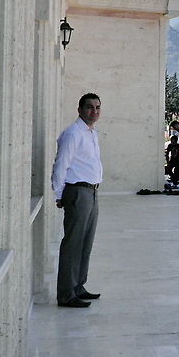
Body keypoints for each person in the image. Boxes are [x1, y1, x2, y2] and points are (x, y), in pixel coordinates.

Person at [52, 93, 104, 308]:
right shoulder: (73, 134)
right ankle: (66, 293)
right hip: (77, 192)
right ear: (80, 109)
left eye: (98, 107)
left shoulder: (91, 133)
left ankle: (78, 286)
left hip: (91, 192)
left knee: (86, 243)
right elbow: (61, 164)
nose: (94, 111)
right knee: (73, 244)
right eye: (90, 107)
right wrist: (59, 194)